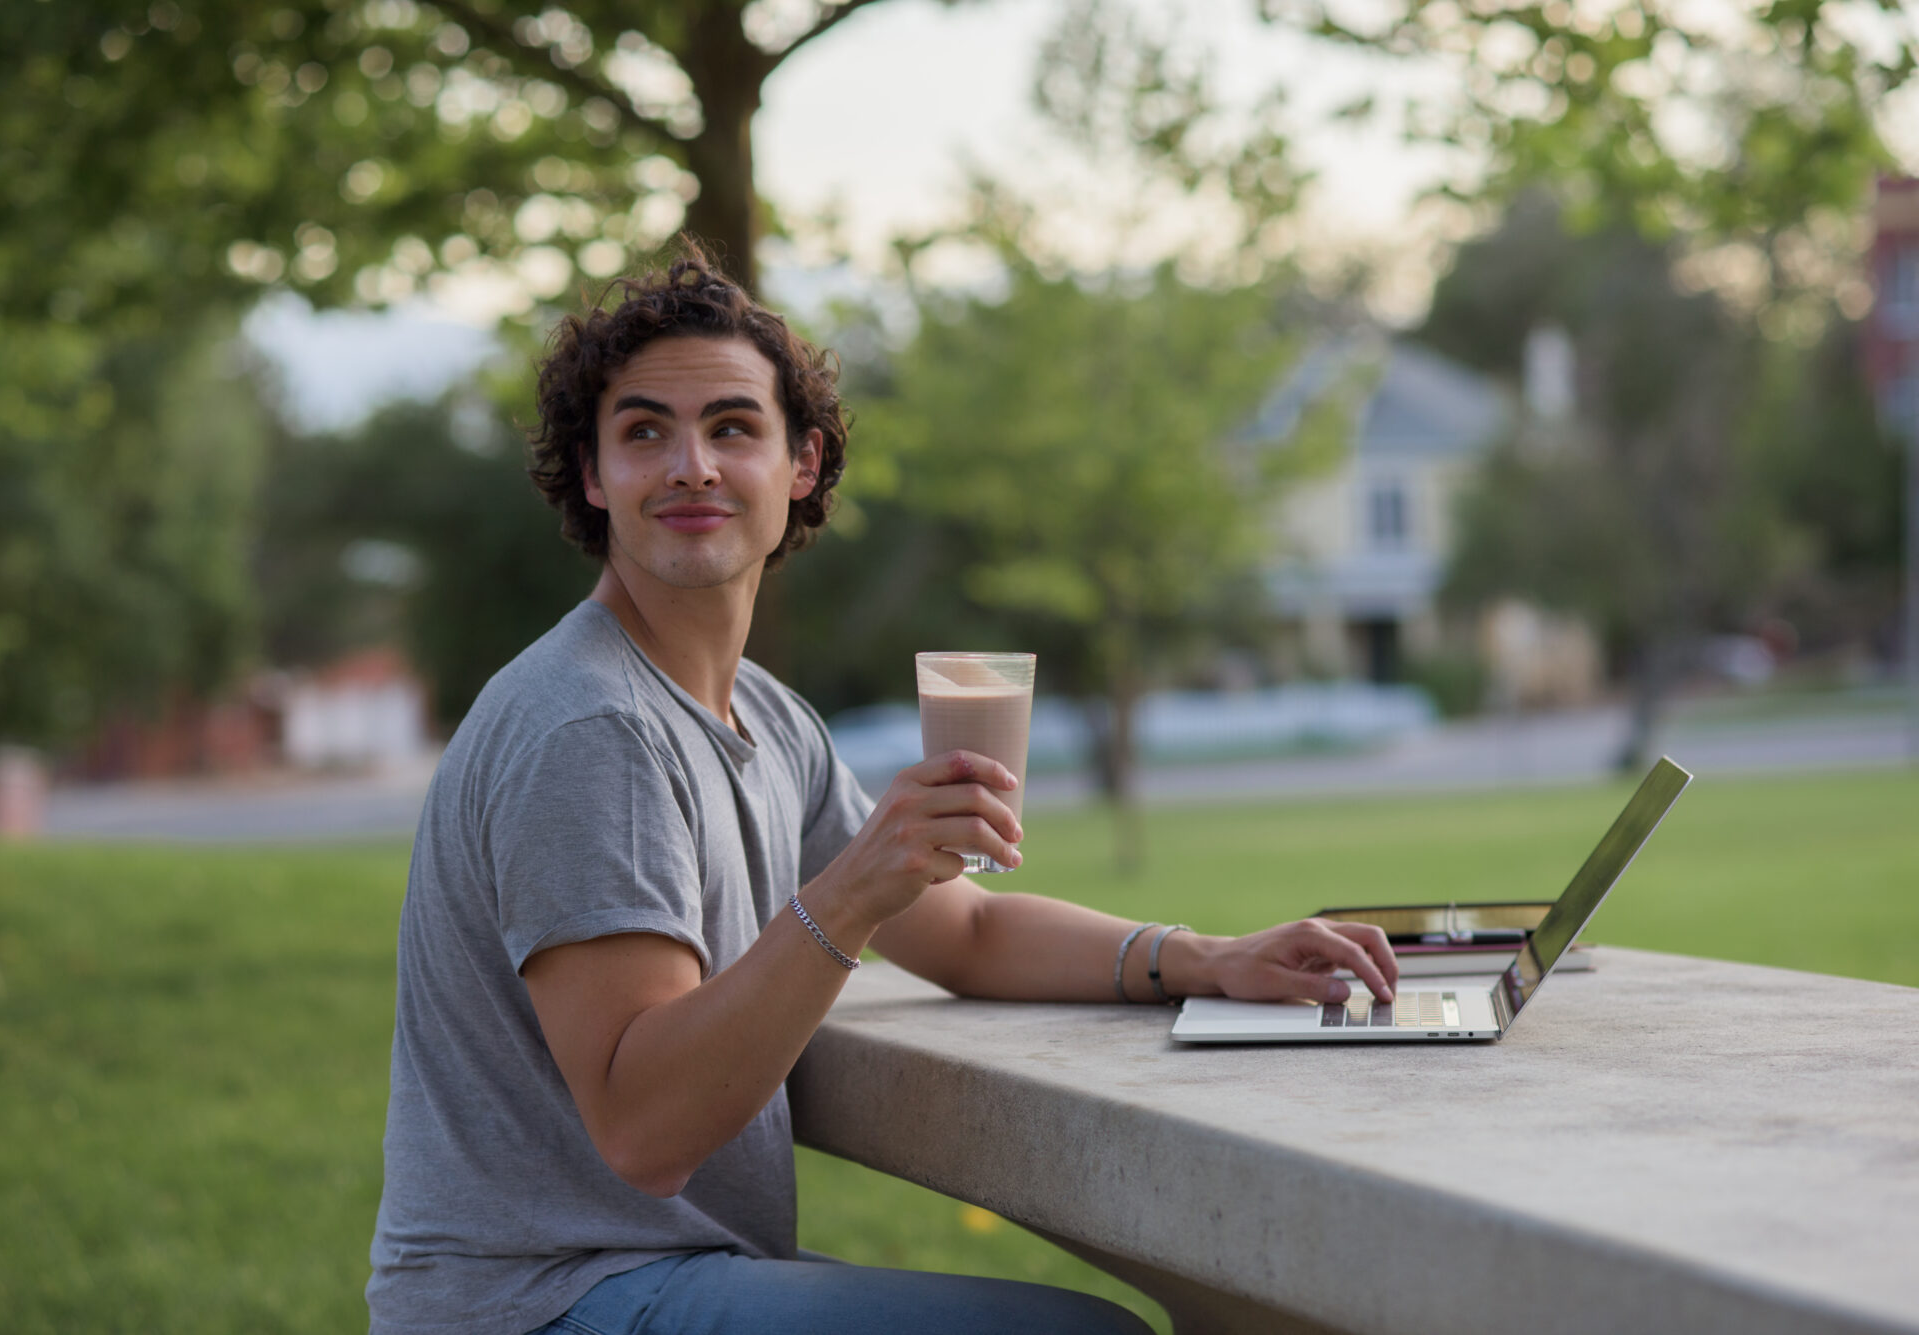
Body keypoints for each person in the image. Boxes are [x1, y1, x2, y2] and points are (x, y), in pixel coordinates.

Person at [365, 246, 1399, 1335]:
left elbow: (966, 933)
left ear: (800, 464)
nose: (691, 467)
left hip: (643, 1274)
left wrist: (1203, 958)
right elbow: (644, 1129)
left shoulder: (760, 713)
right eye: (642, 433)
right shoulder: (592, 729)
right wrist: (850, 891)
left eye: (730, 427)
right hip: (546, 1299)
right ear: (592, 476)